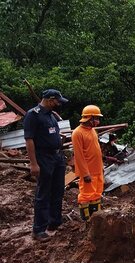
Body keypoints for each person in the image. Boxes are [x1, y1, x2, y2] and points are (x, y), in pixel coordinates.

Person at [24, 89, 69, 242]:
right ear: (50, 100)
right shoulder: (33, 115)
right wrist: (33, 163)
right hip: (43, 158)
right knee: (43, 193)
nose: (58, 104)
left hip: (57, 157)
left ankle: (54, 222)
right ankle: (39, 229)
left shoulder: (51, 115)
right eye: (57, 101)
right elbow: (29, 140)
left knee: (57, 190)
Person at [72, 105, 104, 221]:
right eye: (96, 118)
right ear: (89, 118)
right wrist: (85, 174)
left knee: (96, 194)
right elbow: (79, 156)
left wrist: (101, 167)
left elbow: (96, 150)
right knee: (86, 195)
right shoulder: (77, 133)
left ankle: (97, 219)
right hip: (88, 172)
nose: (98, 121)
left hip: (97, 170)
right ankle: (87, 220)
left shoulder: (93, 131)